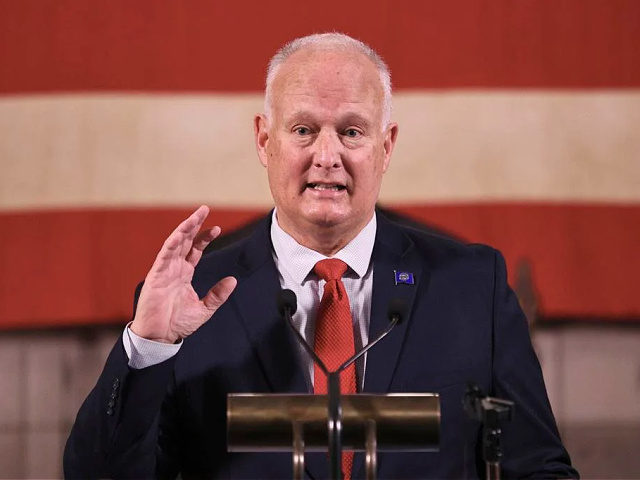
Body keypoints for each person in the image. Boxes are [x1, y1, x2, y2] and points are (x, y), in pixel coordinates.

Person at [64, 33, 578, 479]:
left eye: (351, 131)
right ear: (265, 140)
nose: (327, 157)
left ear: (386, 145)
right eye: (304, 130)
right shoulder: (193, 298)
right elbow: (100, 474)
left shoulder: (471, 286)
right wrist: (149, 346)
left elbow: (538, 468)